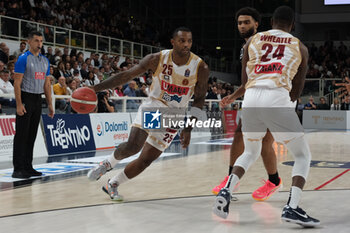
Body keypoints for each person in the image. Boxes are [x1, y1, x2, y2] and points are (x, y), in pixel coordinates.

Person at [213, 6, 320, 227]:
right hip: (278, 97)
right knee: (302, 155)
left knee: (250, 151)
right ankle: (292, 207)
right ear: (292, 25)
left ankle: (226, 190)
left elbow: (244, 80)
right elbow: (298, 86)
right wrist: (287, 105)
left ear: (271, 21)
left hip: (251, 99)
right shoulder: (299, 46)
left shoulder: (252, 41)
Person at [87, 27, 209, 201]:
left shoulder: (200, 67)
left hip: (175, 115)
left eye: (189, 41)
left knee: (146, 160)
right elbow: (126, 75)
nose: (186, 44)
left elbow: (200, 98)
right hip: (156, 107)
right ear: (173, 42)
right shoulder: (157, 59)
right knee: (134, 146)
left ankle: (112, 184)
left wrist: (189, 128)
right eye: (182, 41)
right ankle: (107, 164)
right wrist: (95, 88)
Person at [213, 7, 282, 202]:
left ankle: (244, 181)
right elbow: (248, 81)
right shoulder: (246, 46)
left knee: (263, 142)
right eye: (239, 23)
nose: (242, 26)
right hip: (256, 98)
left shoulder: (260, 43)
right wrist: (234, 96)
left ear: (256, 24)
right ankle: (267, 180)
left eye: (246, 22)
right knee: (245, 138)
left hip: (271, 97)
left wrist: (235, 95)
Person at [12, 31, 54, 178]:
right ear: (29, 42)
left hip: (37, 99)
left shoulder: (45, 61)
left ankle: (28, 166)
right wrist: (19, 104)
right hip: (26, 97)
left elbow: (47, 85)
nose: (39, 44)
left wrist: (50, 104)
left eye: (41, 41)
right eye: (36, 41)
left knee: (32, 135)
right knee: (21, 135)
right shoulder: (23, 59)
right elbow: (17, 83)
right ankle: (18, 168)